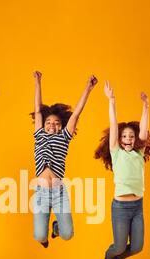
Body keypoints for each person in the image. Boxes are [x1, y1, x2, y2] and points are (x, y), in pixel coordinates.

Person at [94, 81, 150, 259]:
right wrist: (111, 100)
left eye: (131, 136)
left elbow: (144, 130)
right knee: (119, 247)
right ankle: (110, 255)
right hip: (120, 207)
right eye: (124, 137)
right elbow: (114, 124)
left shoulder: (139, 152)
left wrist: (145, 107)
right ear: (119, 140)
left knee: (137, 247)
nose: (128, 139)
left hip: (138, 206)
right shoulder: (116, 152)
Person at [31, 71, 98, 248]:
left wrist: (88, 89)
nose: (52, 125)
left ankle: (56, 228)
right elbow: (38, 110)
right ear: (43, 125)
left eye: (56, 123)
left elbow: (75, 114)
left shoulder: (64, 137)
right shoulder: (39, 136)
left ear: (61, 126)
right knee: (38, 236)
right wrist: (38, 83)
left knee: (68, 234)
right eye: (48, 122)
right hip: (41, 193)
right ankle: (44, 235)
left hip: (59, 192)